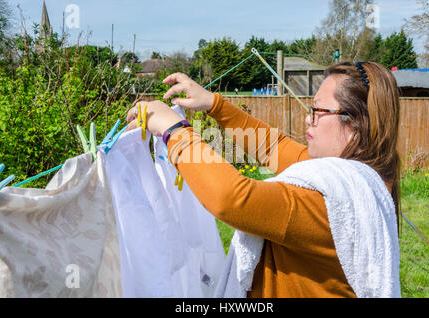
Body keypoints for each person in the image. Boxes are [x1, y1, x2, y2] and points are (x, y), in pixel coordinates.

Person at [126, 61, 402, 298]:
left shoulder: (328, 202)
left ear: (355, 123)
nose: (308, 119)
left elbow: (233, 200)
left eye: (318, 111)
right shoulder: (353, 181)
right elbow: (271, 147)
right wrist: (212, 104)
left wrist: (173, 130)